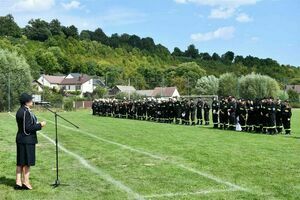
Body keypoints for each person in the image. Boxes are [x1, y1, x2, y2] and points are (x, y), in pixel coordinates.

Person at [15, 93, 46, 190]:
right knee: (27, 162)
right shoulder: (26, 112)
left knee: (20, 161)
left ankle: (18, 182)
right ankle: (26, 182)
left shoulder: (20, 111)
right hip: (27, 140)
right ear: (26, 102)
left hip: (20, 138)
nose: (32, 101)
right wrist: (40, 125)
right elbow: (28, 128)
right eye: (31, 100)